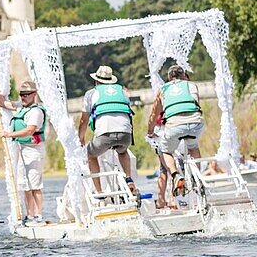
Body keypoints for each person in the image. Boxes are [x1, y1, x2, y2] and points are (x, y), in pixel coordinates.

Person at [77, 65, 137, 196]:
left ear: (96, 81)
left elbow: (83, 120)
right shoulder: (123, 91)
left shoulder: (91, 93)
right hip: (125, 134)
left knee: (91, 155)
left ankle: (99, 191)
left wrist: (81, 138)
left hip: (104, 134)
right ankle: (128, 179)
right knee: (122, 151)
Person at [147, 64, 204, 197]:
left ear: (169, 78)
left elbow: (154, 115)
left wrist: (150, 131)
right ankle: (198, 178)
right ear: (184, 76)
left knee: (165, 150)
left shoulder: (163, 90)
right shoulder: (191, 85)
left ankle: (176, 175)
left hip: (174, 126)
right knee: (193, 147)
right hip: (196, 122)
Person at [0, 80, 47, 223]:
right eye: (21, 94)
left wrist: (9, 134)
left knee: (34, 183)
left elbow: (29, 130)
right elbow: (3, 103)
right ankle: (30, 215)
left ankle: (39, 216)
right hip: (22, 149)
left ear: (34, 94)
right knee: (24, 184)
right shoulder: (21, 106)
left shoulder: (36, 111)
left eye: (26, 94)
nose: (23, 97)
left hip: (34, 149)